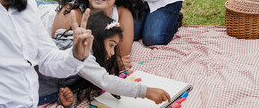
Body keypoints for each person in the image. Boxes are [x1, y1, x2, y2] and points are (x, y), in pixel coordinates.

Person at [39, 11, 171, 107]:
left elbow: (69, 82)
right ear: (97, 39)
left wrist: (69, 100)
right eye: (111, 45)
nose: (113, 53)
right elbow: (105, 80)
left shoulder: (87, 58)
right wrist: (145, 91)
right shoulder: (82, 52)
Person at [51, 0, 145, 69]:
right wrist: (109, 64)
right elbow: (59, 56)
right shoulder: (71, 12)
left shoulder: (122, 12)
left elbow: (121, 56)